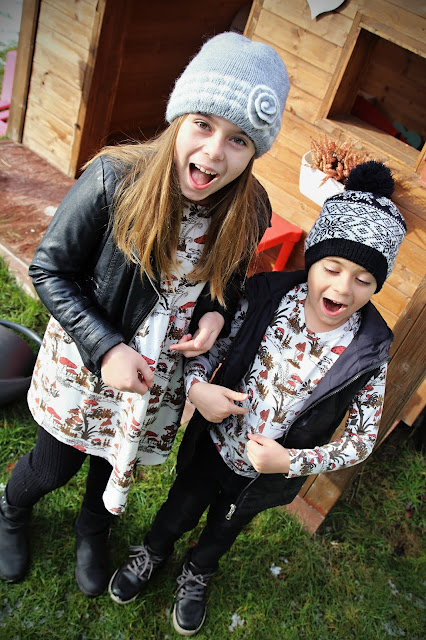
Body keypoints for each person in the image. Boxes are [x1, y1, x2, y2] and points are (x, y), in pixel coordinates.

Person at [0, 32, 290, 597]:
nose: (214, 152)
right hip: (88, 356)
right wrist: (106, 348)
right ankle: (12, 509)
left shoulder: (251, 208)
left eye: (238, 140)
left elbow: (226, 282)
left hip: (156, 373)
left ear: (254, 151)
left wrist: (213, 316)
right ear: (179, 118)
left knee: (114, 461)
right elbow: (50, 270)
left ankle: (92, 530)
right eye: (203, 124)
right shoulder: (114, 177)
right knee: (56, 465)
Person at [109, 161, 407, 636]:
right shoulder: (266, 297)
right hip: (214, 444)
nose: (342, 288)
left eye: (364, 280)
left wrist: (290, 461)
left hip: (261, 475)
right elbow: (213, 347)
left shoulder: (369, 352)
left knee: (224, 528)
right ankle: (153, 550)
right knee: (180, 506)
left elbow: (361, 439)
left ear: (377, 284)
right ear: (312, 258)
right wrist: (198, 388)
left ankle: (198, 571)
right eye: (332, 268)